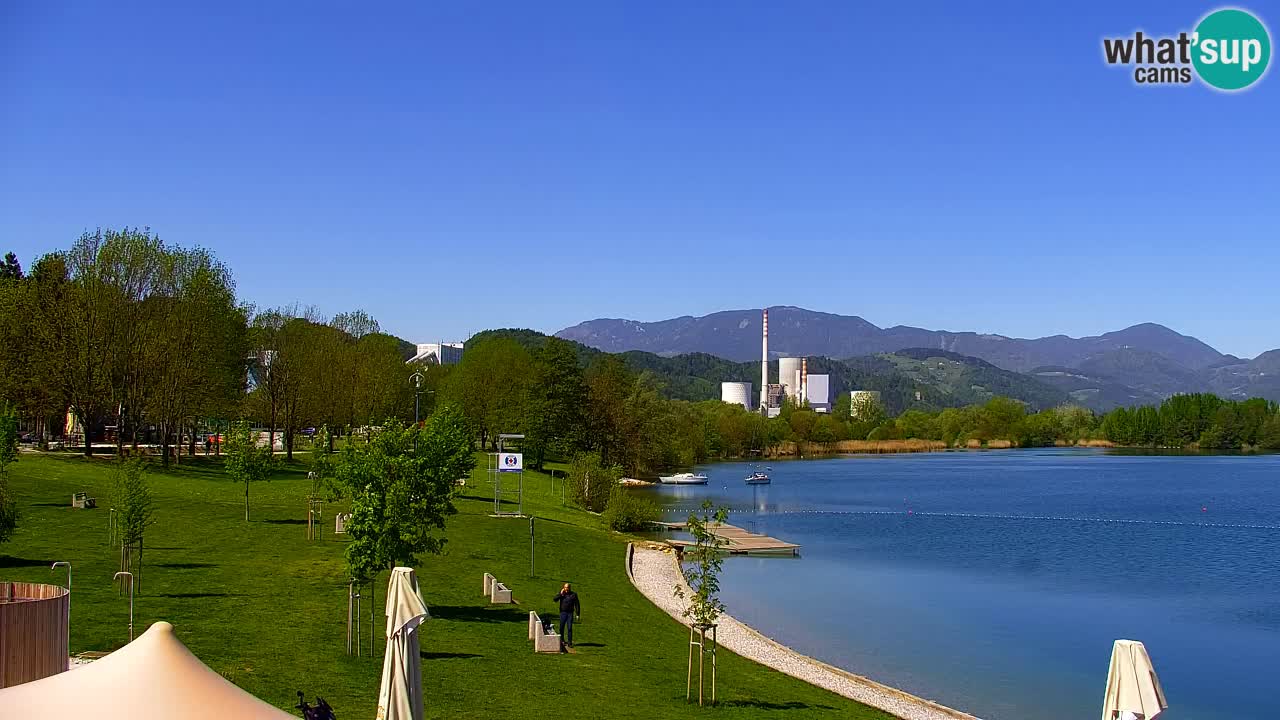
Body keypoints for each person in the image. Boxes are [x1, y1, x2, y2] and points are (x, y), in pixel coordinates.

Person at [552, 582, 581, 650]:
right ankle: (562, 640)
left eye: (567, 588)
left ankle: (569, 642)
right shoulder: (562, 593)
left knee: (569, 628)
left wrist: (577, 614)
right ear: (563, 588)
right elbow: (555, 599)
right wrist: (560, 594)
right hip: (563, 613)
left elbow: (577, 604)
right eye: (565, 588)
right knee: (561, 627)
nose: (566, 589)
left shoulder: (574, 595)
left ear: (570, 588)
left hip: (570, 613)